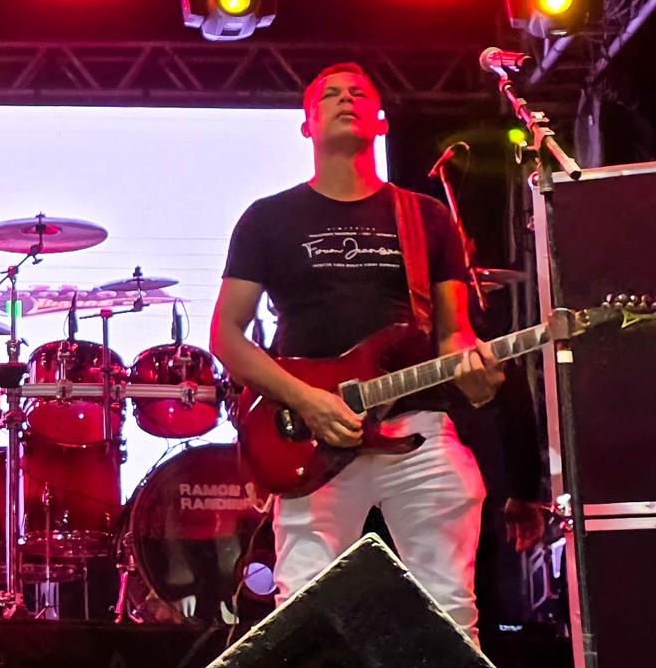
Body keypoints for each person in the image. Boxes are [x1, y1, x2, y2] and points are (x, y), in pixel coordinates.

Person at [210, 64, 501, 638]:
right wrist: (307, 401)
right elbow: (225, 335)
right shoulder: (268, 219)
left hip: (415, 427)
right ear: (307, 125)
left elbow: (453, 334)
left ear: (381, 121)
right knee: (304, 613)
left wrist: (475, 374)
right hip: (311, 437)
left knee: (449, 608)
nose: (346, 99)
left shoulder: (426, 217)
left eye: (360, 93)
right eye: (331, 95)